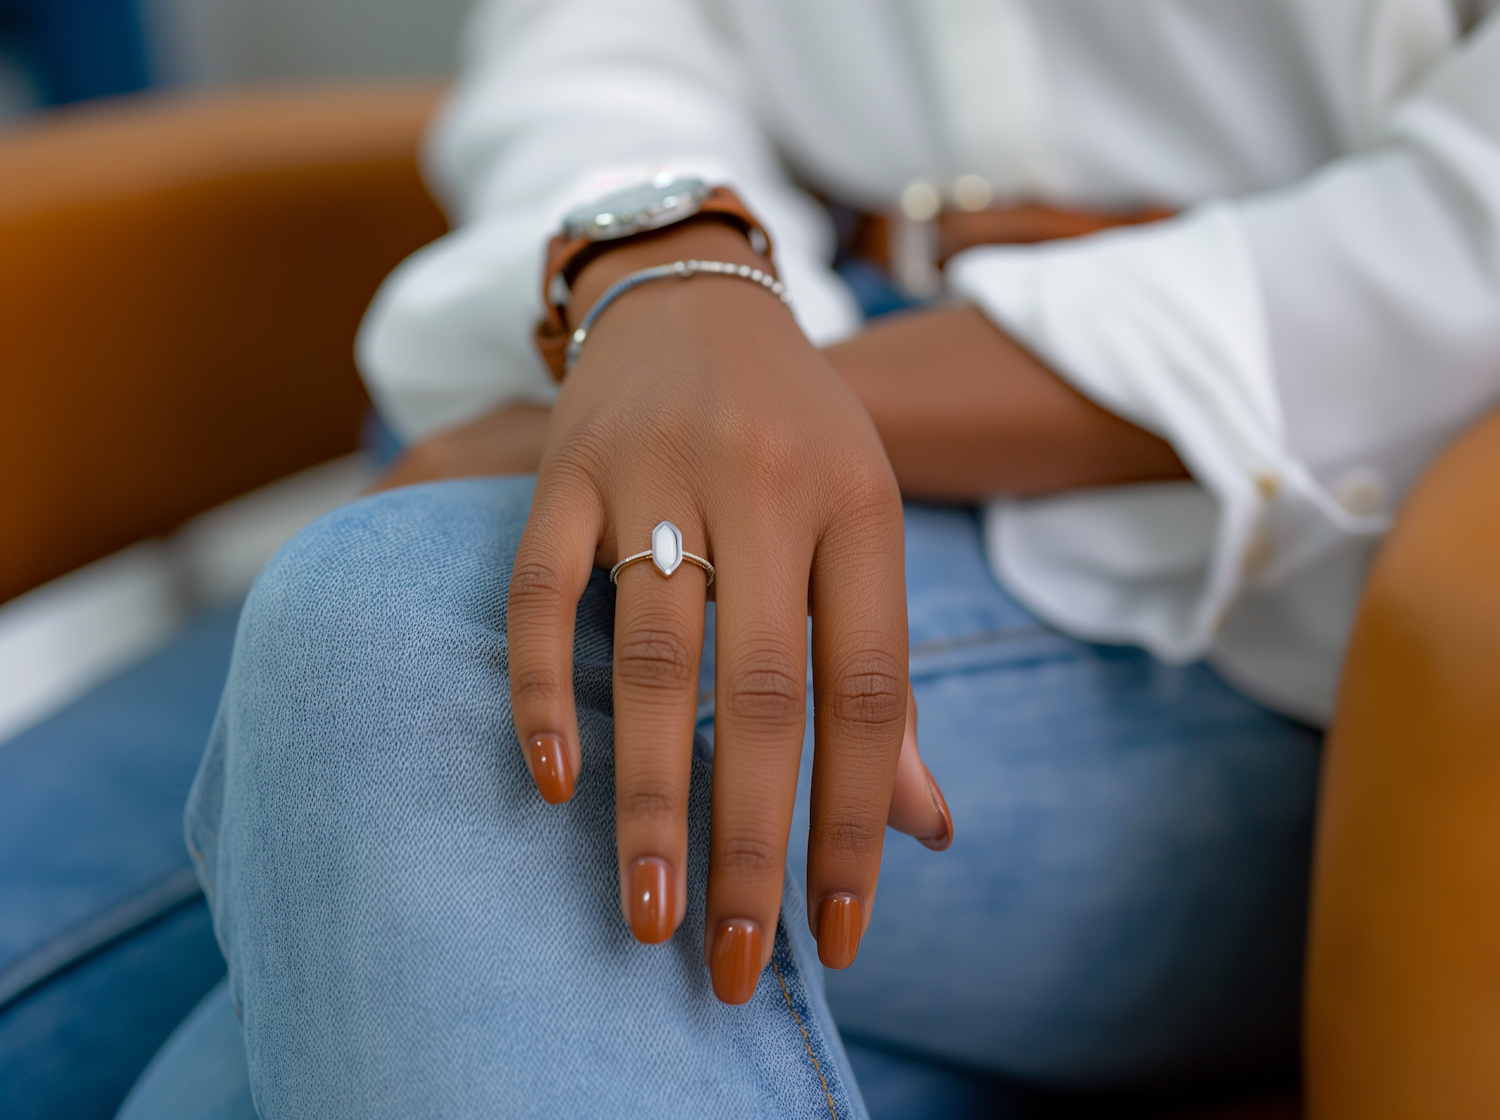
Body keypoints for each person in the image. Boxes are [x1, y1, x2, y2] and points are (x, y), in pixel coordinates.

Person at [120, 2, 1500, 1118]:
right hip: (712, 328)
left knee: (422, 640)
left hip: (1285, 573)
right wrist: (665, 258)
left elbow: (1457, 237)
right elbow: (596, 38)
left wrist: (742, 398)